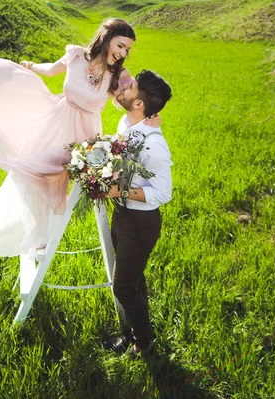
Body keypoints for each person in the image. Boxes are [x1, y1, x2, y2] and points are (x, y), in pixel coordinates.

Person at [0, 18, 159, 257]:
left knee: (56, 175)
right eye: (120, 45)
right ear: (107, 38)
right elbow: (50, 70)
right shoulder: (76, 56)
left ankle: (44, 236)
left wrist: (151, 115)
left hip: (84, 139)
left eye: (127, 49)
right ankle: (39, 234)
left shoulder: (119, 74)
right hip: (57, 123)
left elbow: (134, 100)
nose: (123, 52)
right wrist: (31, 67)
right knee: (29, 166)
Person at [103, 70, 173, 356]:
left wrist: (120, 191)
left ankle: (143, 342)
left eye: (130, 87)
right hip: (122, 216)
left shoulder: (153, 145)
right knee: (134, 280)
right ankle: (135, 331)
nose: (124, 86)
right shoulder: (127, 122)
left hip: (141, 223)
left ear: (140, 104)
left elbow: (163, 193)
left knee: (123, 288)